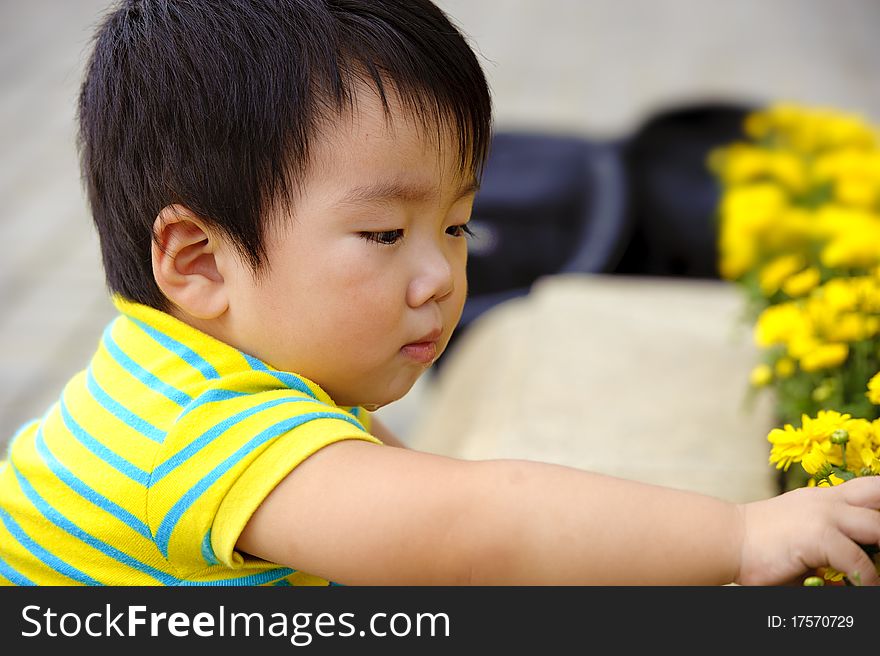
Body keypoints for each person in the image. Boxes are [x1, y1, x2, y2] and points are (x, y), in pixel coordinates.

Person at [1, 0, 879, 587]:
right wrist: (742, 537)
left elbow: (418, 499)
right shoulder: (203, 434)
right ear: (198, 261)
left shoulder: (200, 364)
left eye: (458, 228)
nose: (441, 279)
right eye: (385, 235)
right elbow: (479, 528)